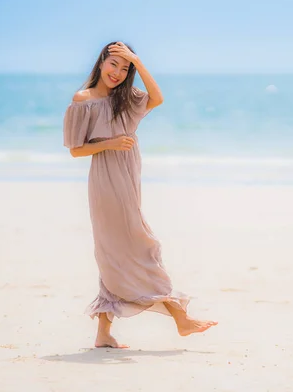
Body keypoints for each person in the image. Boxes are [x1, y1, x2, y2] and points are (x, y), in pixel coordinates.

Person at [63, 41, 217, 348]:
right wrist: (110, 143)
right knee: (133, 245)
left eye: (125, 68)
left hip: (129, 175)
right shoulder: (84, 99)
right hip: (106, 181)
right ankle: (180, 317)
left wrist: (138, 61)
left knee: (115, 251)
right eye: (113, 64)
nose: (117, 73)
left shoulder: (128, 98)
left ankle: (103, 334)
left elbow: (158, 98)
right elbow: (76, 150)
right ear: (101, 62)